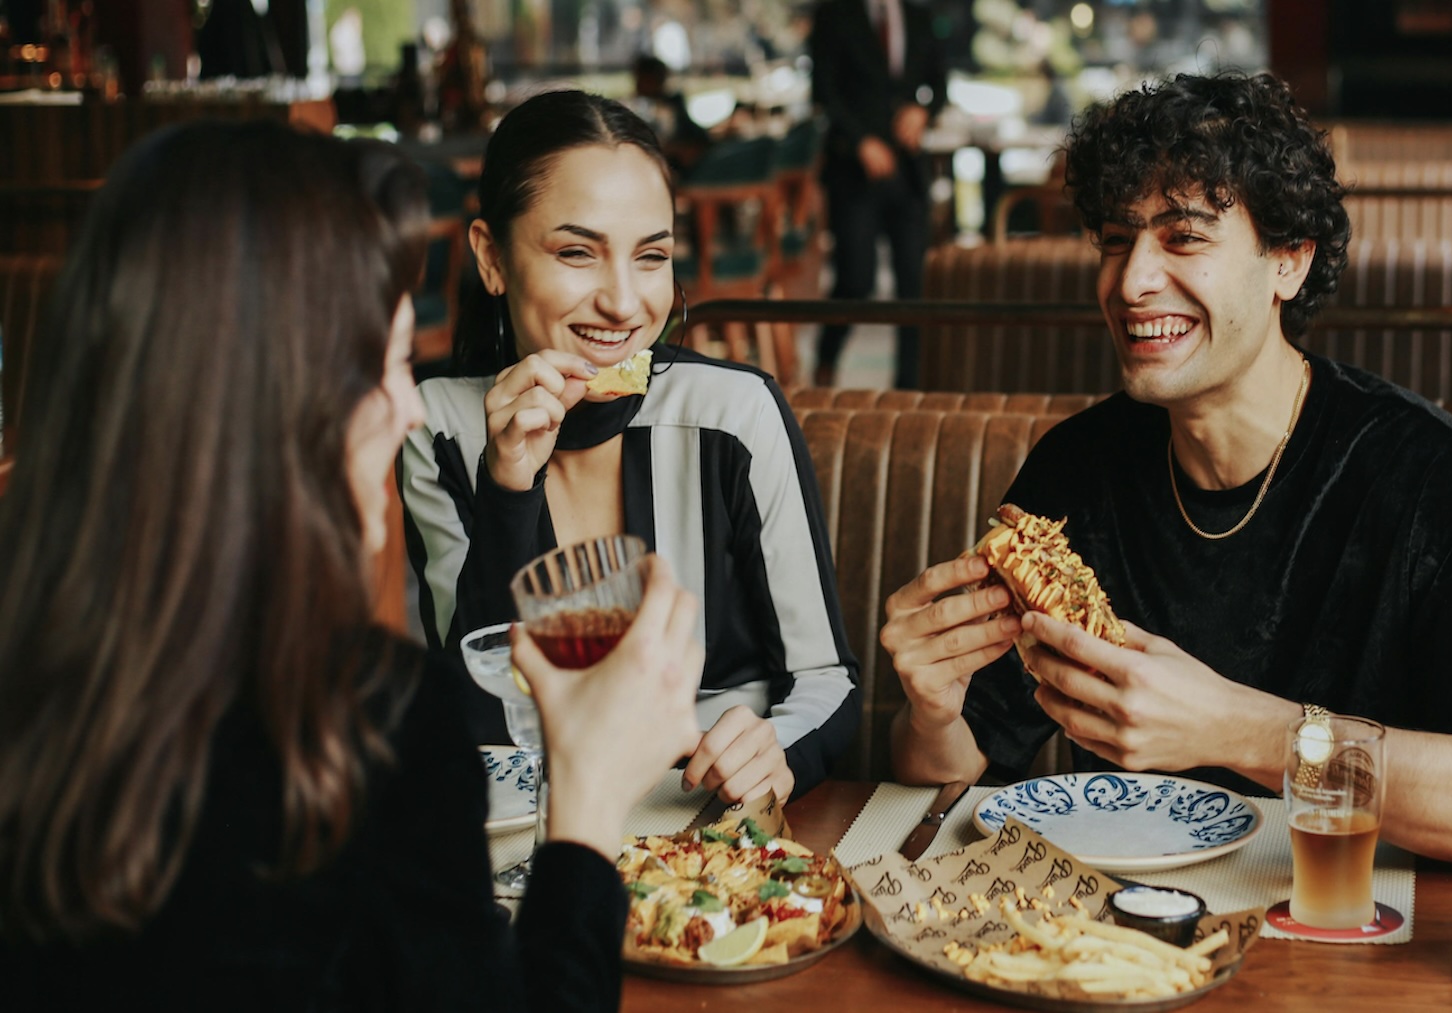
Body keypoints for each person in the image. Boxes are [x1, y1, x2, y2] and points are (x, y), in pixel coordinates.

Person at [0, 120, 704, 1009]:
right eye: (383, 365)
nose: (406, 411)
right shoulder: (369, 736)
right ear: (270, 394)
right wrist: (592, 794)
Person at [881, 72, 1452, 862]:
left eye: (1183, 237)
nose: (1131, 280)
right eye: (1117, 239)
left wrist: (1242, 730)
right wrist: (931, 711)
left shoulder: (1420, 474)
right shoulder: (1078, 474)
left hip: (1352, 932)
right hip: (1116, 938)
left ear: (1289, 260)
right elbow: (954, 770)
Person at [401, 91, 859, 804]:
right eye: (578, 252)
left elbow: (827, 682)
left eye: (651, 256)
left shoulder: (735, 415)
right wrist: (508, 489)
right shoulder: (435, 429)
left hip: (713, 829)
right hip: (537, 833)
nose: (623, 301)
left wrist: (778, 752)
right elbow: (483, 719)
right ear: (492, 258)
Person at [808, 0, 946, 388]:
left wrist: (923, 111)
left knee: (914, 287)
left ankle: (909, 385)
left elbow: (939, 83)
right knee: (855, 280)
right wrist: (861, 142)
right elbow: (823, 91)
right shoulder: (835, 15)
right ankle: (826, 360)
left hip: (909, 171)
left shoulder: (920, 17)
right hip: (853, 172)